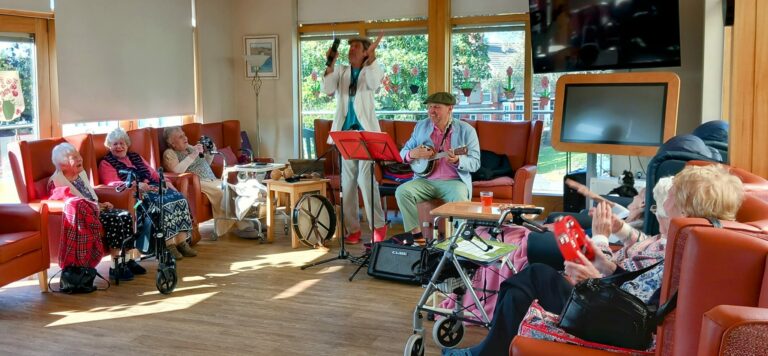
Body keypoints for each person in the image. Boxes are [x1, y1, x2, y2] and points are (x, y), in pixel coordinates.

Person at [446, 164, 744, 356]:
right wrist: (604, 266)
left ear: (685, 206)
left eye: (672, 196)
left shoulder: (681, 250)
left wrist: (595, 276)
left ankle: (485, 353)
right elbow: (634, 284)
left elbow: (634, 306)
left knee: (534, 275)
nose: (662, 203)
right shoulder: (689, 245)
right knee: (534, 274)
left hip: (618, 323)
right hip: (617, 308)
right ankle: (488, 350)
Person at [322, 33, 388, 244]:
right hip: (345, 134)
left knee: (365, 181)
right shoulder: (341, 71)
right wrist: (330, 65)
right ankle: (353, 229)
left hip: (366, 135)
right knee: (348, 184)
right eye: (350, 48)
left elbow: (374, 83)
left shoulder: (371, 70)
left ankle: (378, 226)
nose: (351, 51)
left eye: (355, 48)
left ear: (365, 51)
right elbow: (327, 89)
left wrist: (372, 59)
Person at [395, 92, 481, 246]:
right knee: (402, 191)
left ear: (450, 109)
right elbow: (402, 153)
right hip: (425, 181)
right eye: (429, 107)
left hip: (454, 182)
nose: (431, 111)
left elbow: (475, 163)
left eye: (436, 107)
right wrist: (411, 154)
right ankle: (417, 238)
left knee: (461, 198)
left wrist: (457, 160)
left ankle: (460, 242)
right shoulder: (421, 126)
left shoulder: (466, 130)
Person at [99, 128, 197, 260]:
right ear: (109, 146)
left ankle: (182, 242)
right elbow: (112, 184)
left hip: (152, 187)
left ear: (127, 145)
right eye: (115, 144)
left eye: (122, 143)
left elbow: (153, 173)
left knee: (178, 197)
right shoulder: (106, 163)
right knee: (162, 203)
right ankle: (168, 245)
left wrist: (166, 182)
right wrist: (136, 185)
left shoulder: (136, 157)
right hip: (136, 195)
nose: (119, 147)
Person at [48, 143, 141, 281]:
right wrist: (96, 207)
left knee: (125, 215)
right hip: (82, 217)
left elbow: (89, 196)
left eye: (79, 155)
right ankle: (116, 267)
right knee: (115, 219)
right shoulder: (56, 182)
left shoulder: (81, 173)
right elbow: (71, 205)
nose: (80, 159)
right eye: (74, 157)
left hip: (95, 209)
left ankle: (126, 260)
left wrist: (101, 204)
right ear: (62, 165)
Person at [162, 126, 247, 237]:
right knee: (224, 192)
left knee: (237, 190)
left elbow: (205, 163)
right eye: (180, 137)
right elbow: (176, 171)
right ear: (172, 143)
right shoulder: (169, 153)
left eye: (184, 135)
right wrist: (193, 155)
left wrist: (210, 153)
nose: (185, 138)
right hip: (197, 182)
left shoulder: (191, 148)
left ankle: (247, 221)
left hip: (211, 179)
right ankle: (242, 226)